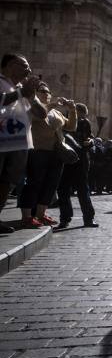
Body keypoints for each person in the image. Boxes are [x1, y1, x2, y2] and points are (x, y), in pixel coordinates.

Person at [19, 83, 77, 228]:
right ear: (36, 94)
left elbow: (71, 127)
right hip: (38, 150)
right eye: (42, 91)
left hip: (56, 153)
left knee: (50, 184)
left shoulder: (56, 113)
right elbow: (37, 118)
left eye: (48, 91)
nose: (46, 93)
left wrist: (72, 110)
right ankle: (26, 216)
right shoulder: (32, 108)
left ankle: (41, 214)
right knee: (34, 183)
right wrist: (50, 105)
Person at [0, 54, 45, 233]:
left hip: (20, 144)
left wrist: (32, 97)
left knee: (8, 182)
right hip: (1, 142)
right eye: (24, 66)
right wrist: (21, 93)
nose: (29, 71)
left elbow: (42, 114)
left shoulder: (24, 88)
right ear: (10, 65)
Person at [56, 103, 97, 228]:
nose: (81, 117)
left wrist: (90, 141)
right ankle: (65, 218)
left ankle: (88, 218)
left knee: (82, 189)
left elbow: (90, 137)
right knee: (63, 189)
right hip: (67, 158)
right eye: (81, 113)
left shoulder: (85, 122)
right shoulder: (63, 120)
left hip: (81, 159)